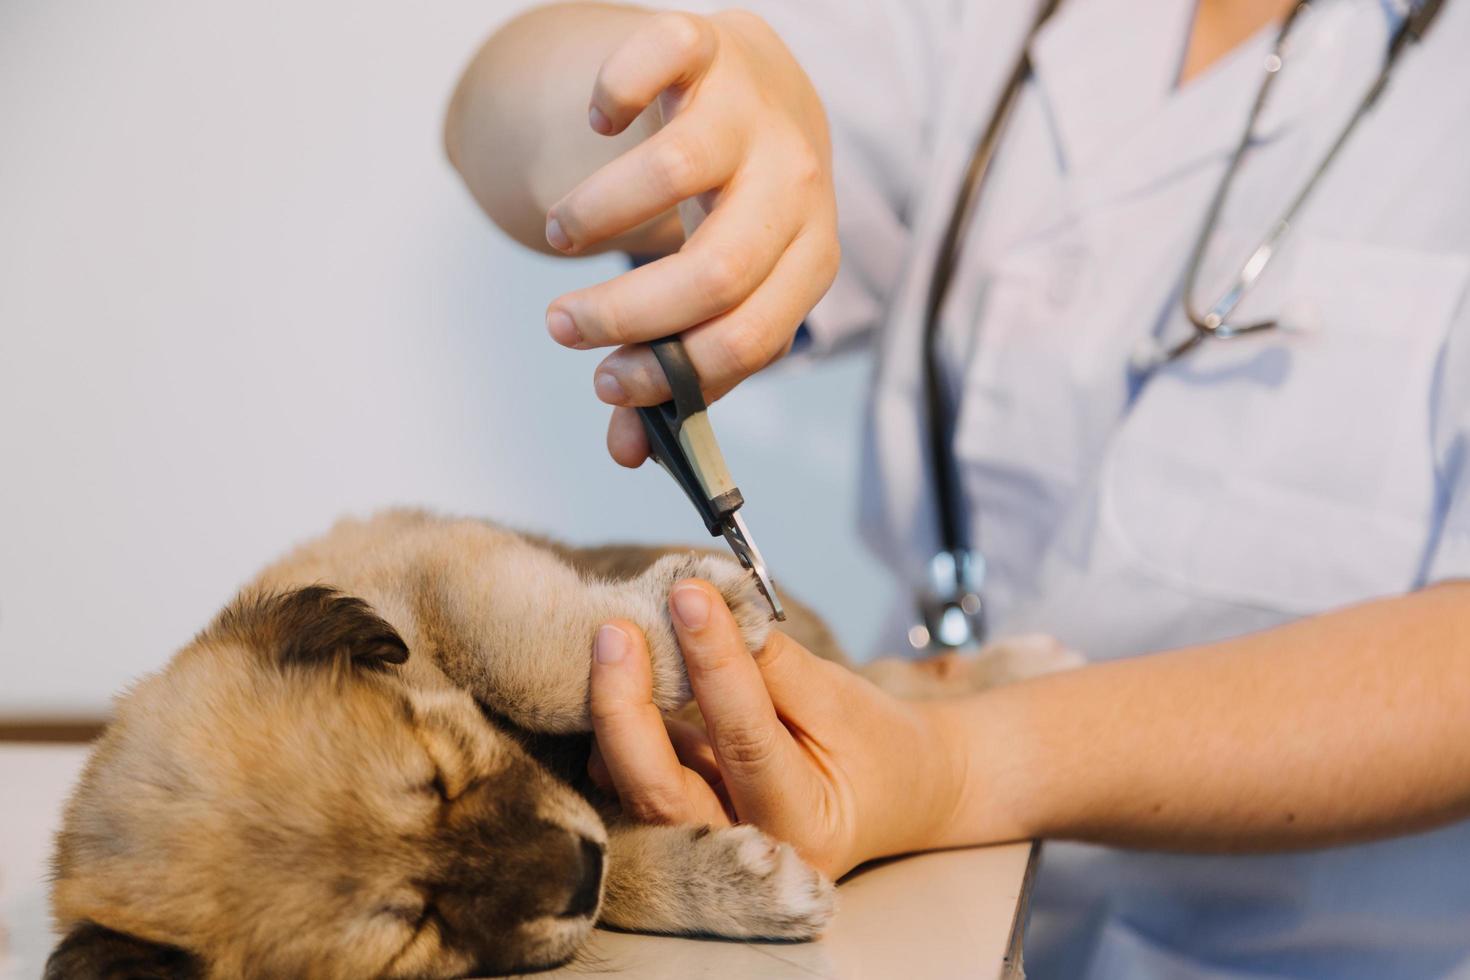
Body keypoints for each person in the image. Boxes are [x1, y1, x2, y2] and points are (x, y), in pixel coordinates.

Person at [445, 1, 1470, 976]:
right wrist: (689, 99)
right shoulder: (976, 24)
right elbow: (495, 116)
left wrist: (964, 764)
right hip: (918, 918)